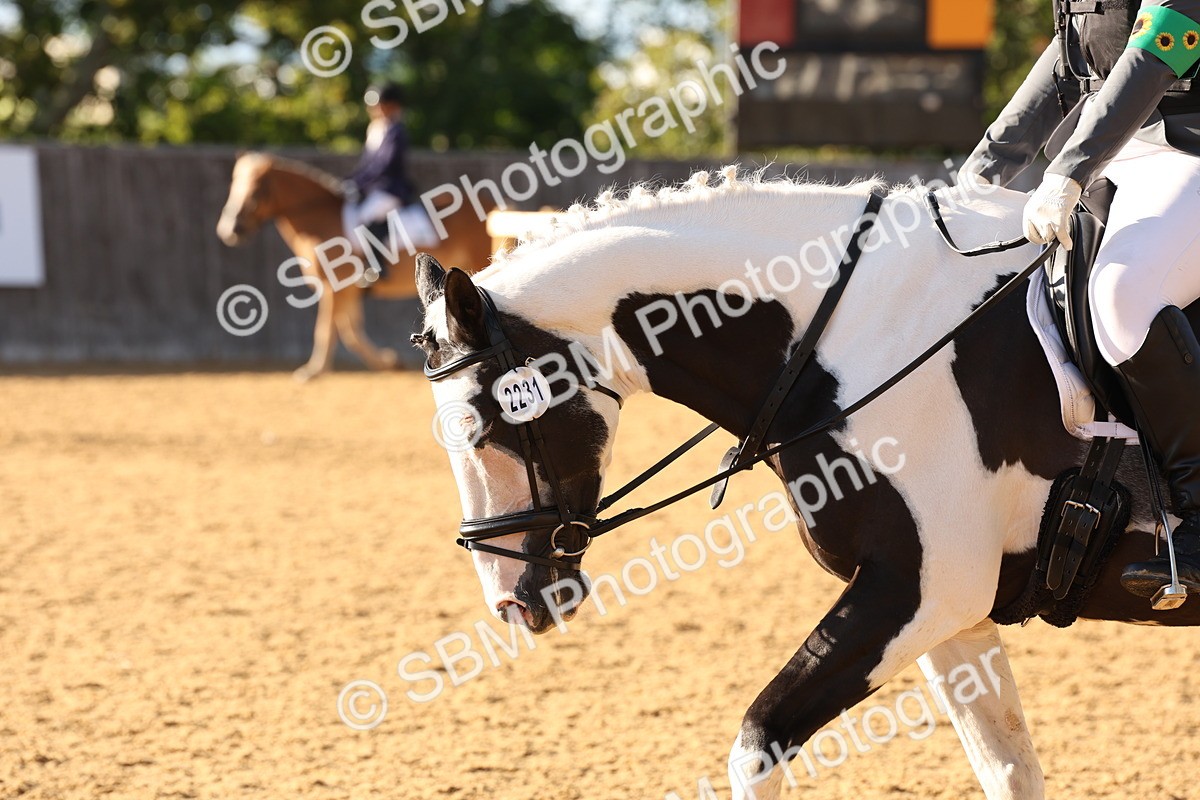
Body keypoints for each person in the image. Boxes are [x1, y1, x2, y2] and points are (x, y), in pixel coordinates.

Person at [962, 1, 1200, 596]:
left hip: (1187, 145)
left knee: (1124, 291)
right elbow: (1072, 58)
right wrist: (986, 171)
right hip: (1119, 148)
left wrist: (1070, 169)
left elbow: (1167, 38)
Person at [343, 83, 439, 258]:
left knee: (365, 217)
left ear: (392, 105)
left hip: (390, 189)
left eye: (379, 104)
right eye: (372, 105)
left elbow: (384, 165)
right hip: (375, 190)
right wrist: (350, 181)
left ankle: (377, 266)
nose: (374, 109)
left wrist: (360, 183)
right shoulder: (375, 130)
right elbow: (366, 164)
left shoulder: (396, 132)